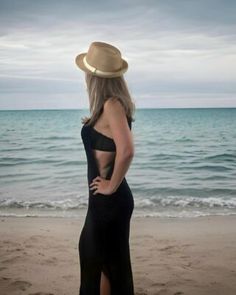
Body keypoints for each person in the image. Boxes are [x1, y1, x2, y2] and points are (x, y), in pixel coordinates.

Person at [75, 41, 136, 295]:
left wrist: (111, 186)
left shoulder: (112, 105)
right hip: (104, 201)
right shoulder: (108, 106)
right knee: (104, 263)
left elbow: (127, 150)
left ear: (93, 76)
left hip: (109, 202)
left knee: (96, 257)